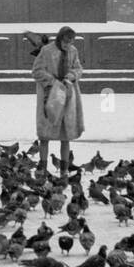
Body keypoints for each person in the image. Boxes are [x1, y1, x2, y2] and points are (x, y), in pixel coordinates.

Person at [33, 25, 84, 177]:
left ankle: (64, 169)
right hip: (50, 96)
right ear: (60, 38)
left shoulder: (73, 51)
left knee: (65, 135)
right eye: (66, 41)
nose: (68, 45)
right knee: (45, 135)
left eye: (71, 42)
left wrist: (71, 76)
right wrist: (52, 81)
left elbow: (78, 68)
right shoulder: (46, 51)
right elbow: (36, 71)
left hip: (67, 95)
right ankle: (42, 168)